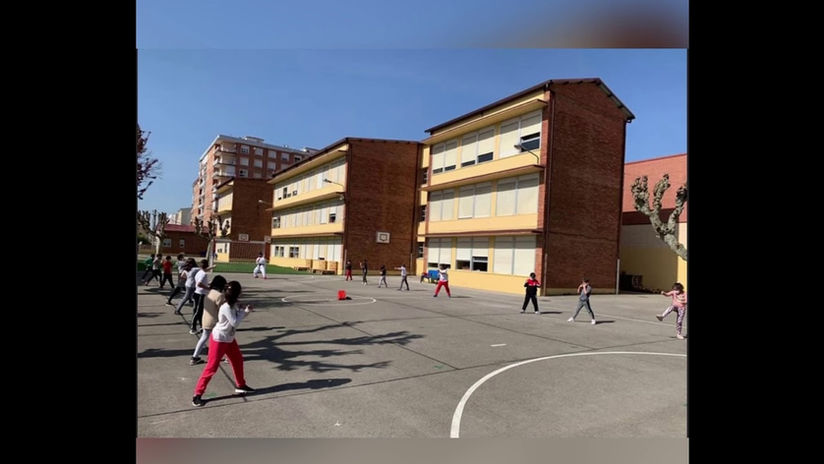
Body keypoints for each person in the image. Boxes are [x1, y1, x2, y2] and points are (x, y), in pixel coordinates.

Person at [192, 281, 255, 407]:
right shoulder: (226, 307)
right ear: (236, 293)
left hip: (229, 338)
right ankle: (197, 394)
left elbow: (237, 316)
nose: (241, 292)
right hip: (219, 339)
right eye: (240, 291)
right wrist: (245, 311)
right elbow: (234, 322)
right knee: (212, 367)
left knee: (237, 360)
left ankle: (240, 385)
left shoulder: (233, 305)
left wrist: (244, 309)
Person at [190, 275, 227, 365]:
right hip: (215, 321)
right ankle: (227, 356)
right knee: (224, 338)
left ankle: (195, 357)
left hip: (206, 319)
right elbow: (222, 309)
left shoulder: (209, 293)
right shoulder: (219, 295)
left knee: (204, 338)